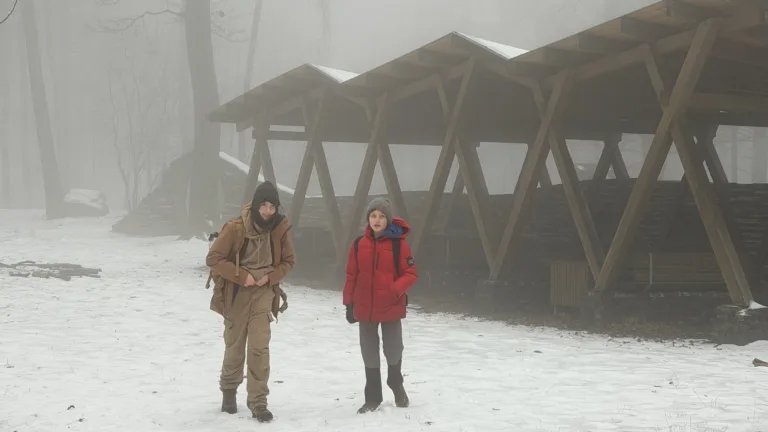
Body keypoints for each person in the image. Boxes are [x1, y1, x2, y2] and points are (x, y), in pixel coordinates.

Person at [206, 181, 295, 422]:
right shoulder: (235, 228)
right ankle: (229, 390)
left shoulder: (280, 229)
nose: (267, 211)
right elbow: (213, 258)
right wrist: (240, 276)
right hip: (236, 293)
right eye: (264, 206)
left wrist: (271, 276)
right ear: (256, 206)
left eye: (272, 206)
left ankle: (258, 402)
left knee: (259, 346)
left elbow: (288, 261)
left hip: (264, 292)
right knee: (234, 345)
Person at [342, 197, 418, 414]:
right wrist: (349, 304)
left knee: (393, 349)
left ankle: (395, 382)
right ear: (368, 219)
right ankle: (373, 397)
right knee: (369, 351)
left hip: (391, 306)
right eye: (373, 216)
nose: (377, 220)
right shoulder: (358, 244)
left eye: (382, 216)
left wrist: (394, 289)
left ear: (388, 219)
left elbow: (411, 273)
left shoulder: (399, 244)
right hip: (365, 307)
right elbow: (351, 275)